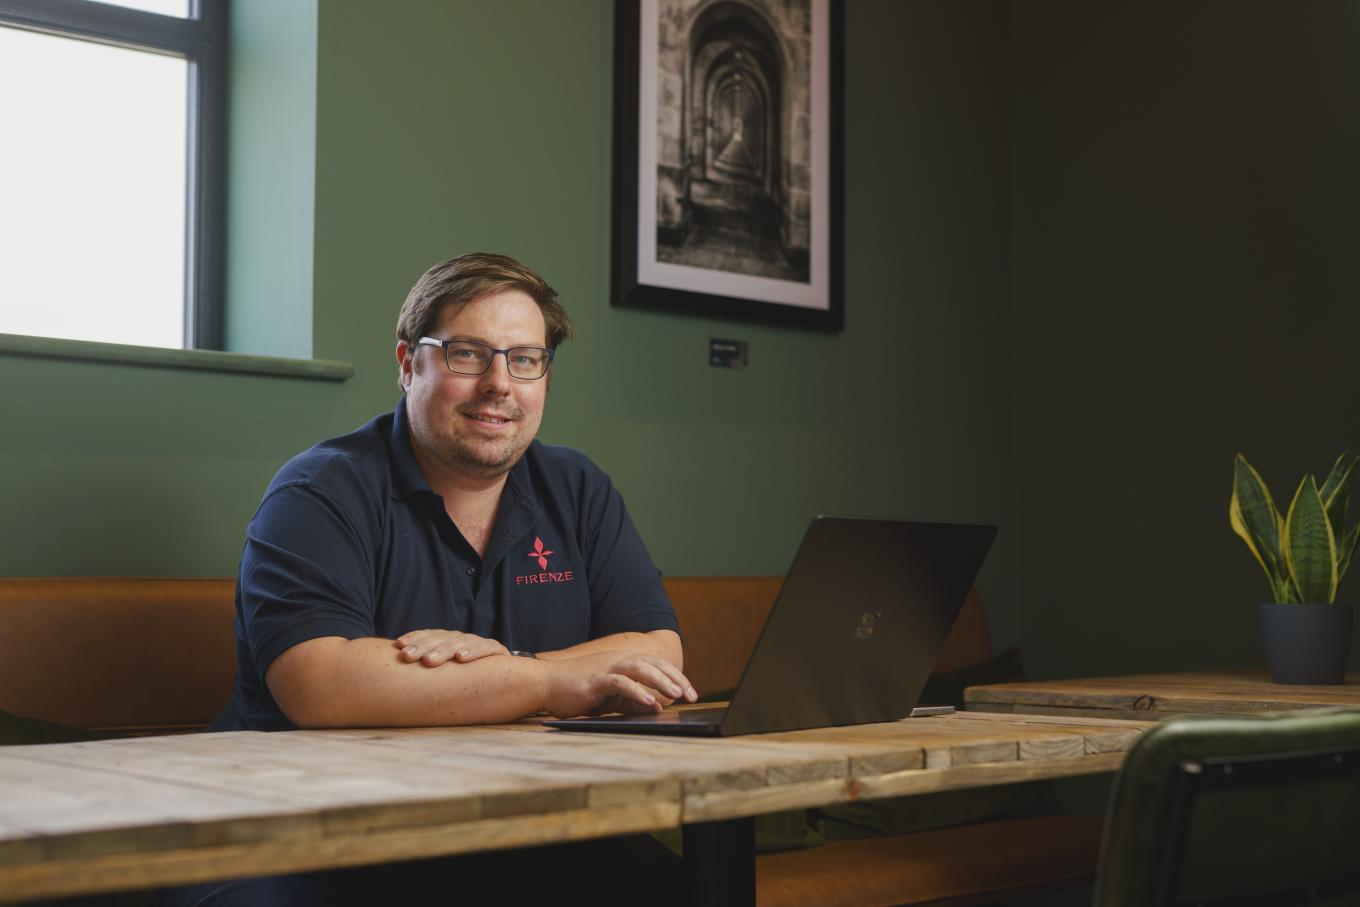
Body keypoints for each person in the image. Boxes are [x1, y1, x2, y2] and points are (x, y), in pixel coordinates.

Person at [170, 253, 692, 906]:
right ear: (407, 363)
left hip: (517, 831)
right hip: (296, 841)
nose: (499, 384)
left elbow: (656, 652)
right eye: (468, 354)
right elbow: (321, 685)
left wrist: (508, 665)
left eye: (524, 359)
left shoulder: (577, 487)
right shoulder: (319, 490)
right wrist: (549, 683)